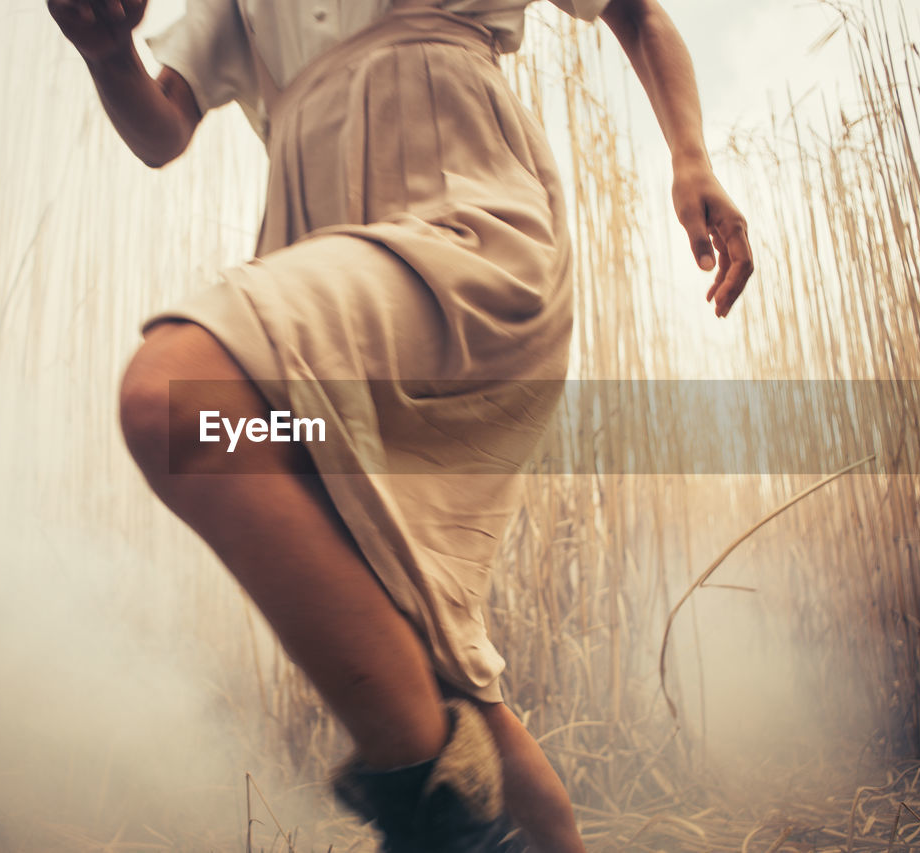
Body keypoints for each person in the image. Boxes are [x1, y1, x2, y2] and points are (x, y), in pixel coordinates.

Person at [48, 0, 752, 850]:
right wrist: (106, 51)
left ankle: (443, 819)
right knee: (416, 637)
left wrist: (691, 160)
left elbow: (635, 12)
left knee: (174, 396)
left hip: (467, 230)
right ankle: (514, 821)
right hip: (319, 258)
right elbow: (162, 129)